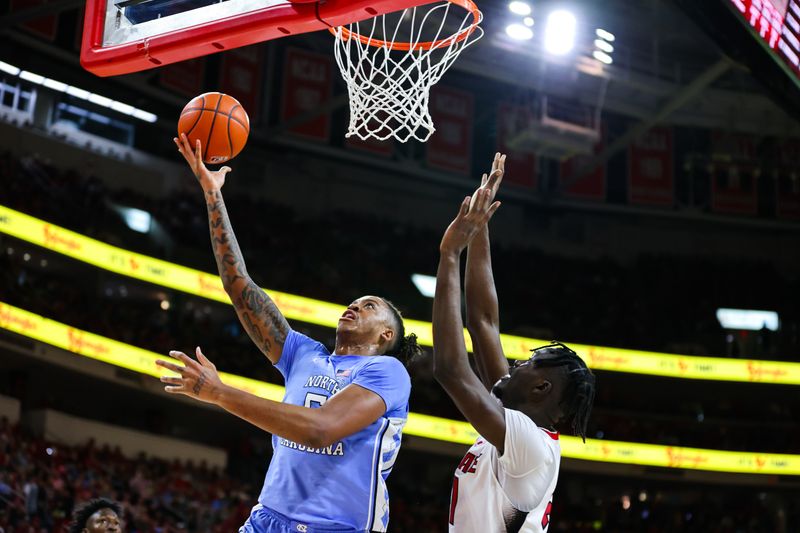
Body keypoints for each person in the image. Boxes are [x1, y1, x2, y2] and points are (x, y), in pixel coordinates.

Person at [156, 134, 420, 533]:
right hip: (268, 519)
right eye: (356, 300)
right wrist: (213, 196)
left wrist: (219, 392)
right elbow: (238, 284)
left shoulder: (387, 373)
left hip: (334, 527)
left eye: (369, 306)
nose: (355, 305)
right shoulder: (304, 354)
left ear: (386, 336)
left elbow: (321, 429)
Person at [432, 153, 596, 532]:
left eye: (528, 364)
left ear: (542, 387)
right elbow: (484, 323)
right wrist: (480, 226)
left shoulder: (530, 446)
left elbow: (451, 370)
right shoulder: (521, 425)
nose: (515, 365)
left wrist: (450, 254)